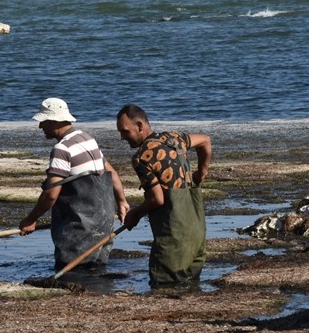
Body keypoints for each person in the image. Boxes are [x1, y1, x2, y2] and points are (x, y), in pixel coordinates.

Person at [19, 98, 129, 271]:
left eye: (43, 121)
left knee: (73, 273)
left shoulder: (61, 149)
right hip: (104, 223)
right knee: (97, 272)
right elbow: (112, 173)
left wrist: (30, 219)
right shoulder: (87, 138)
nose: (40, 126)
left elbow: (51, 195)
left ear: (54, 121)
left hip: (80, 228)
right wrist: (122, 202)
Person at [115, 104, 211, 287]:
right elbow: (205, 140)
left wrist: (135, 213)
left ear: (140, 126)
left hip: (173, 241)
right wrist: (201, 172)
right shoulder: (174, 138)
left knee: (163, 289)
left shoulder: (141, 158)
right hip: (196, 235)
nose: (122, 137)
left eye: (125, 131)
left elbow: (157, 199)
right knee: (191, 288)